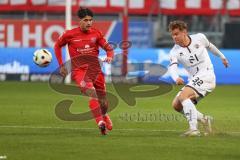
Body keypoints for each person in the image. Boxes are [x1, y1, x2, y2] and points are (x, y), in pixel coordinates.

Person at [54, 8, 114, 135]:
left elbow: (109, 48)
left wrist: (109, 56)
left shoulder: (96, 33)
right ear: (79, 21)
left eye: (91, 20)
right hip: (80, 71)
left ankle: (104, 115)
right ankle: (100, 122)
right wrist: (61, 65)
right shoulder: (69, 34)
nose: (89, 23)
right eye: (86, 20)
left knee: (103, 102)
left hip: (96, 71)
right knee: (92, 94)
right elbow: (57, 46)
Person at [168, 20, 229, 137]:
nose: (174, 37)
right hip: (194, 79)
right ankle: (205, 120)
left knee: (184, 96)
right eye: (172, 35)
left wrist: (222, 57)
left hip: (207, 75)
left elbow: (211, 47)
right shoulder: (174, 52)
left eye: (176, 34)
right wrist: (176, 77)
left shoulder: (199, 38)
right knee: (176, 105)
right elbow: (172, 68)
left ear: (184, 32)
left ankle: (193, 129)